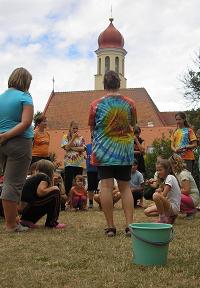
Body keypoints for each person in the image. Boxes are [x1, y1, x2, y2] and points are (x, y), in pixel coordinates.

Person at [88, 70, 137, 237]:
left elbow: (92, 127)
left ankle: (110, 227)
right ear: (119, 84)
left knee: (106, 187)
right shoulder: (130, 103)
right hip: (124, 151)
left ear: (104, 84)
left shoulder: (95, 105)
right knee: (125, 188)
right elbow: (133, 124)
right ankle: (130, 225)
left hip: (103, 152)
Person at [0, 67, 34, 232]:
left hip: (1, 146)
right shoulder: (24, 97)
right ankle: (11, 224)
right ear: (26, 82)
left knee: (8, 180)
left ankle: (12, 220)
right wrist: (6, 136)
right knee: (13, 184)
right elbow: (26, 122)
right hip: (19, 143)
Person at [19, 160, 65, 229]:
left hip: (26, 210)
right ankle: (52, 223)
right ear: (51, 171)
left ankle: (27, 220)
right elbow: (40, 192)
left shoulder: (36, 177)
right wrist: (54, 188)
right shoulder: (44, 177)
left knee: (53, 191)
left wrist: (52, 183)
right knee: (55, 192)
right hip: (30, 207)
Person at [144, 159, 180, 224]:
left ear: (167, 170)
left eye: (160, 170)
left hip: (173, 207)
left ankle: (162, 218)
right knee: (147, 212)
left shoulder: (170, 177)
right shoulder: (165, 180)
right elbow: (158, 189)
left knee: (155, 195)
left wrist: (156, 202)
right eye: (157, 170)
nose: (158, 172)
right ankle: (169, 217)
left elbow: (163, 195)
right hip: (168, 206)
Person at [169, 154, 199, 219]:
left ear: (174, 164)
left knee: (173, 196)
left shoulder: (183, 174)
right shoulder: (178, 174)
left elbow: (186, 191)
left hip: (193, 198)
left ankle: (191, 211)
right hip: (188, 198)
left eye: (170, 165)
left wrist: (173, 191)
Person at [61, 121, 86, 197]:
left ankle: (78, 197)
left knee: (79, 181)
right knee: (68, 181)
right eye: (73, 128)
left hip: (79, 163)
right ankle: (68, 199)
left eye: (76, 128)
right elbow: (66, 148)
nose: (75, 130)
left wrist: (71, 148)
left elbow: (83, 148)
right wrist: (73, 138)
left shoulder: (81, 138)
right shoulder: (65, 137)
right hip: (69, 162)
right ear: (70, 128)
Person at [86, 139, 98, 208]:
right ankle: (90, 203)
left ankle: (101, 202)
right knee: (90, 187)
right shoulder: (87, 146)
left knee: (100, 187)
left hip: (99, 169)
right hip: (90, 169)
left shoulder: (100, 146)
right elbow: (80, 150)